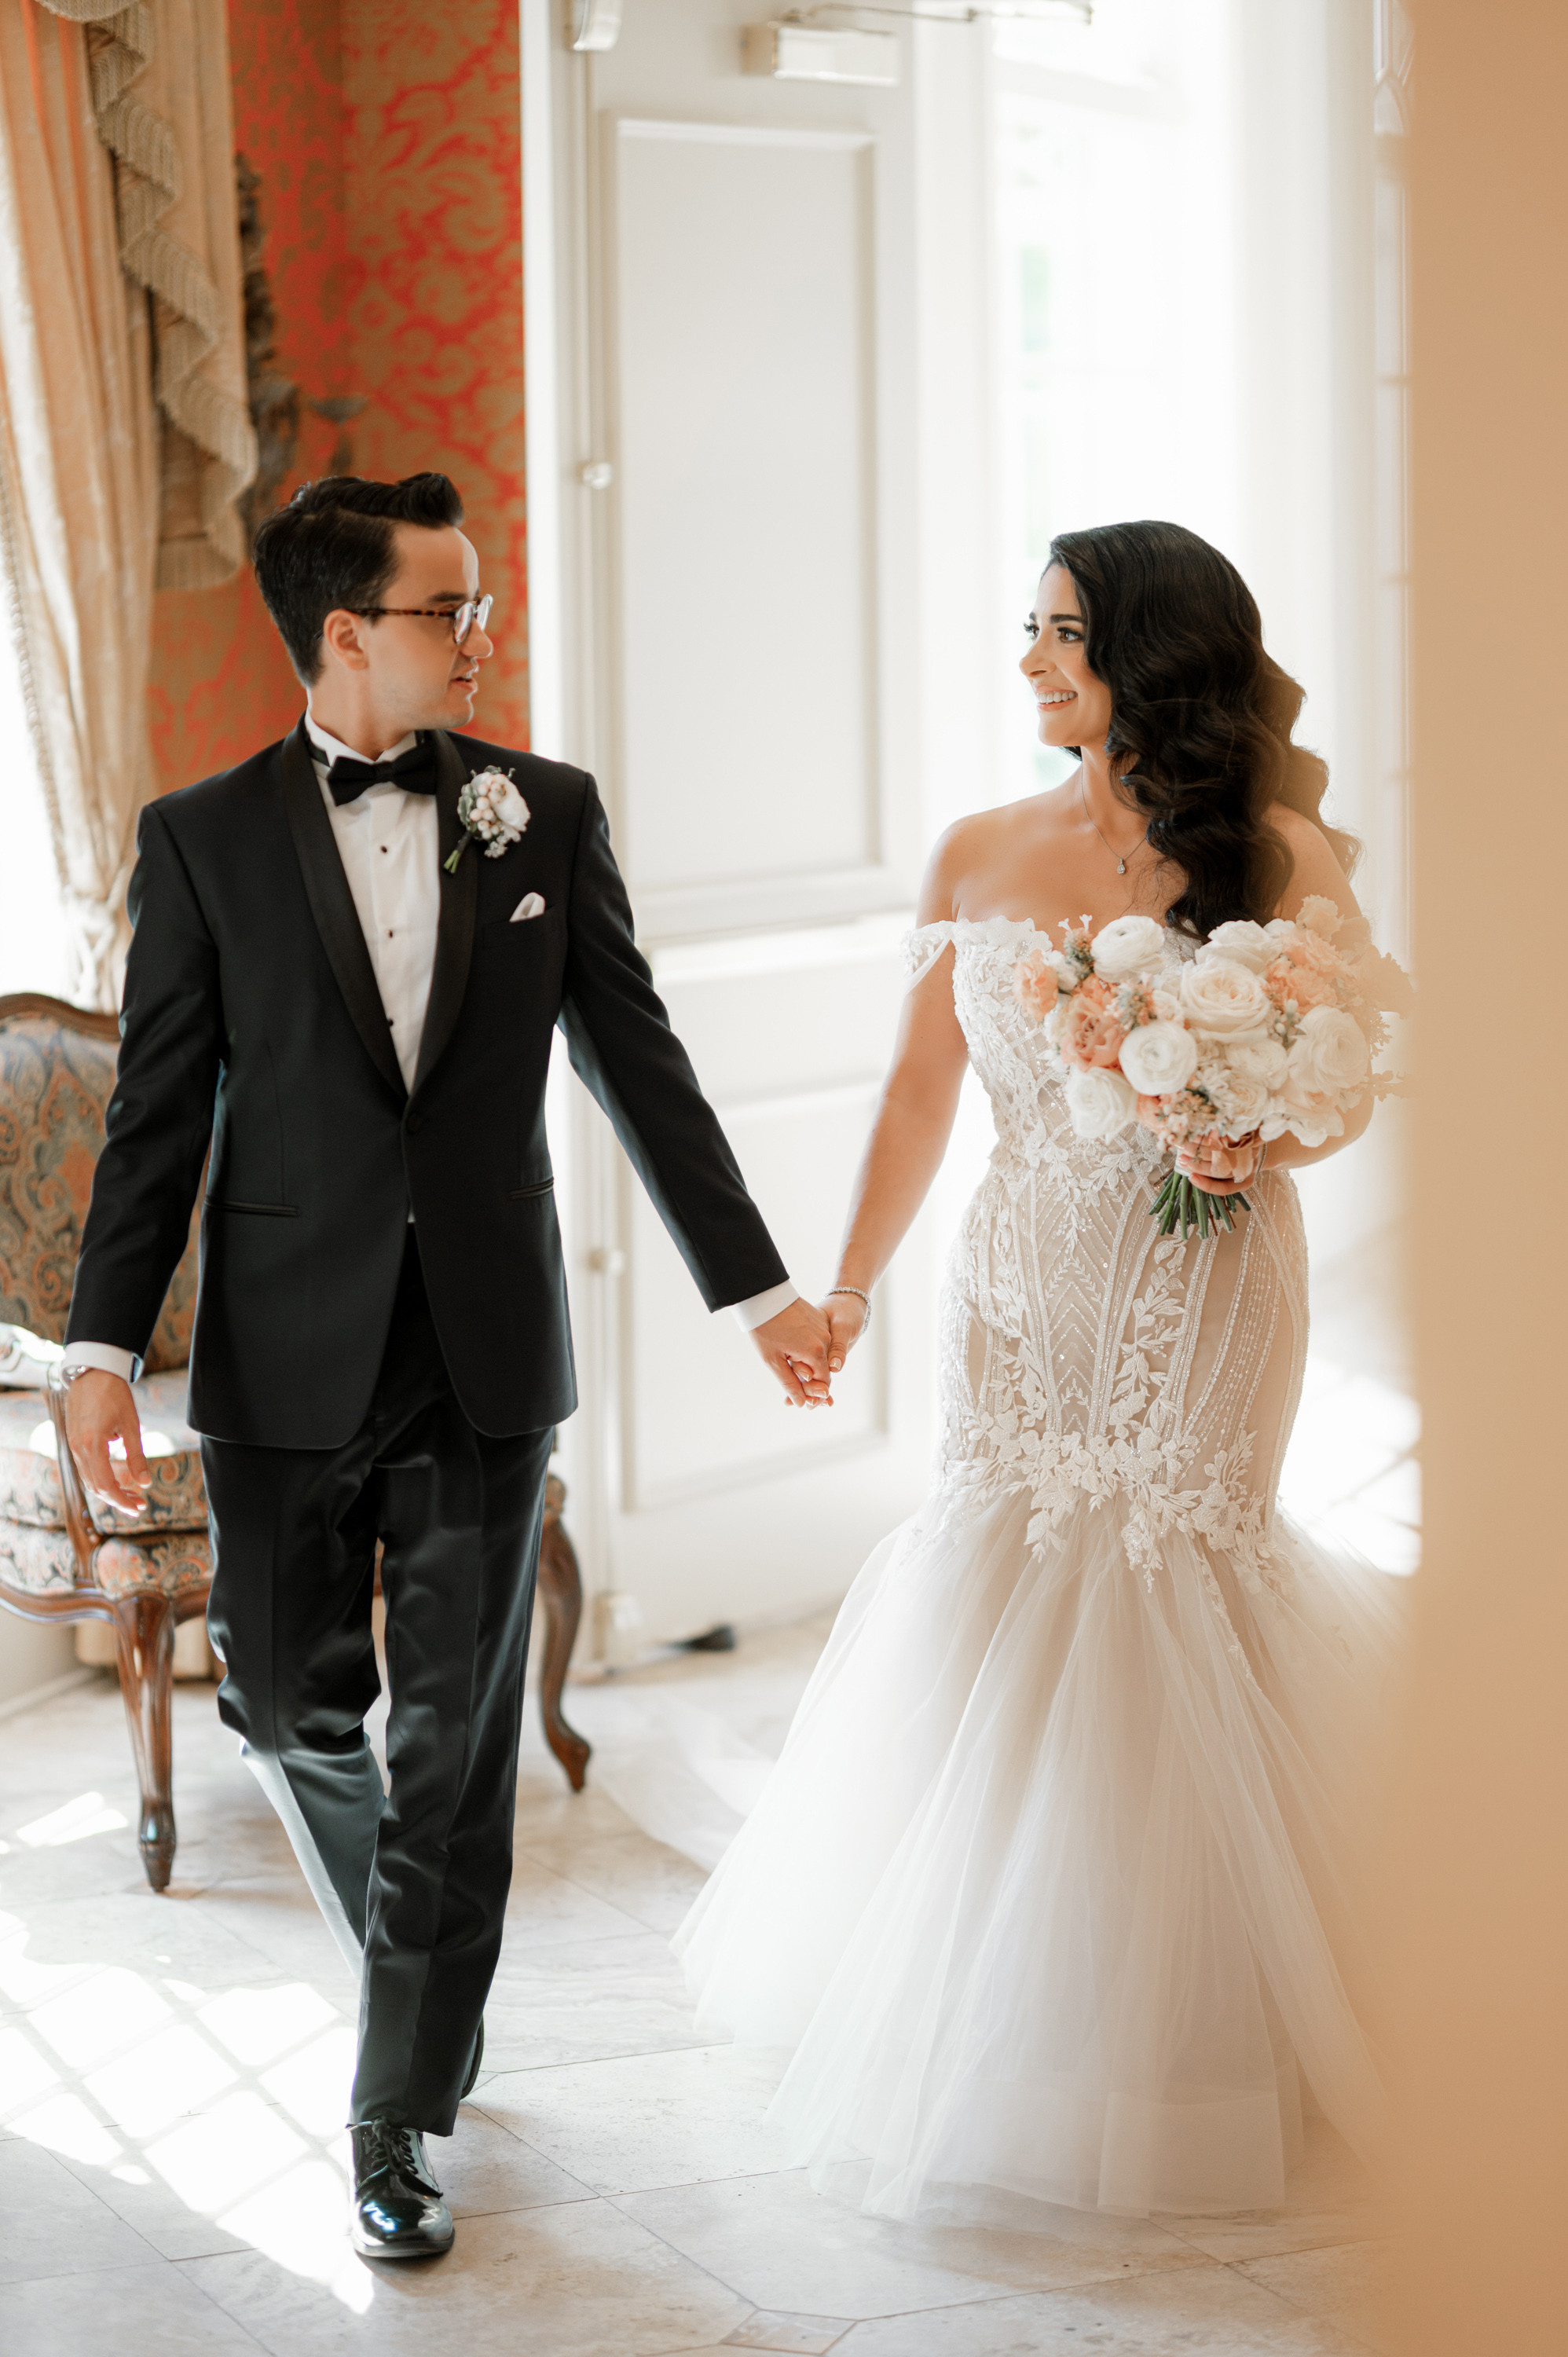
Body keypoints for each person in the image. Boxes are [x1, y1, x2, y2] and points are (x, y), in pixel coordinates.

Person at [59, 471, 833, 2262]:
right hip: (282, 1352)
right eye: (448, 608)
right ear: (346, 633)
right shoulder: (202, 839)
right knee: (281, 1710)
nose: (482, 634)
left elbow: (641, 1064)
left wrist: (758, 1293)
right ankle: (419, 1985)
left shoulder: (541, 813)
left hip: (485, 1351)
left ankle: (392, 2116)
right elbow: (154, 1116)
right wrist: (100, 1347)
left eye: (476, 606)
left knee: (453, 1754)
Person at [676, 519, 1402, 2222]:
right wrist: (844, 1288)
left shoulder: (1275, 851)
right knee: (1002, 1578)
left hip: (1208, 1270)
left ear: (1148, 651)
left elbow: (1346, 1081)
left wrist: (1257, 1134)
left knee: (1177, 1577)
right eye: (1030, 628)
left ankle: (1191, 2038)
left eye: (1061, 633)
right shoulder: (975, 850)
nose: (1028, 660)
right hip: (1014, 1284)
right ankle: (990, 2011)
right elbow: (917, 1094)